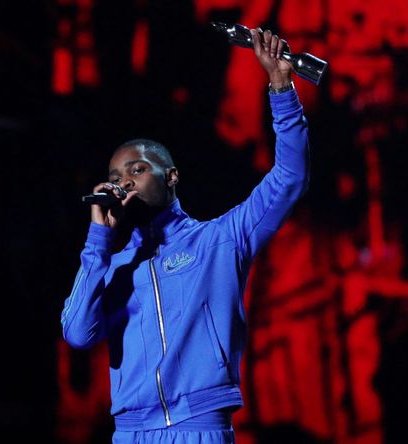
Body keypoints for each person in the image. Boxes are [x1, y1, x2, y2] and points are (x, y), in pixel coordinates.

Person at [61, 28, 310, 443]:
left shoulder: (221, 240)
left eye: (137, 170)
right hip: (130, 433)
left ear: (171, 176)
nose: (125, 182)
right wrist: (98, 241)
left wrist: (281, 88)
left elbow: (289, 178)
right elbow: (77, 332)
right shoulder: (114, 266)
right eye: (115, 177)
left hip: (198, 428)